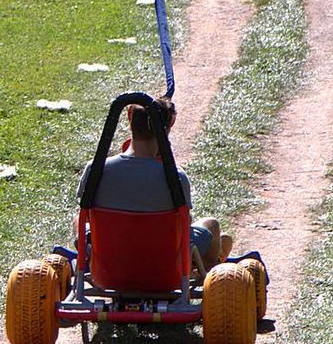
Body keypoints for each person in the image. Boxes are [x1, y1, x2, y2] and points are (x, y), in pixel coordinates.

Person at [76, 98, 231, 272]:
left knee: (78, 220)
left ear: (130, 121)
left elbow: (86, 216)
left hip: (108, 270)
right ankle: (210, 271)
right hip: (162, 273)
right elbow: (184, 223)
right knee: (211, 225)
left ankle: (88, 260)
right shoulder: (176, 176)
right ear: (167, 128)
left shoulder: (95, 169)